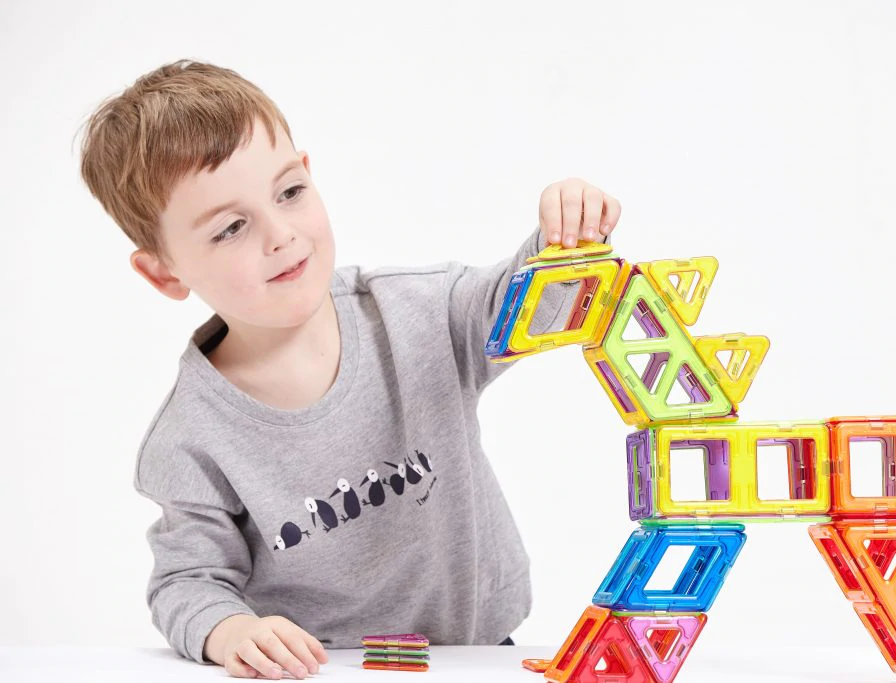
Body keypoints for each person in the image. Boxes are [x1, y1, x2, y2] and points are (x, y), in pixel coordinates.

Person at [78, 59, 622, 680]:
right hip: (323, 670)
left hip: (476, 653)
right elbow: (188, 580)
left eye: (289, 193)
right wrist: (230, 631)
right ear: (163, 272)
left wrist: (565, 243)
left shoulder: (420, 312)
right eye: (231, 228)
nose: (280, 235)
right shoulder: (189, 438)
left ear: (308, 173)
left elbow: (535, 307)